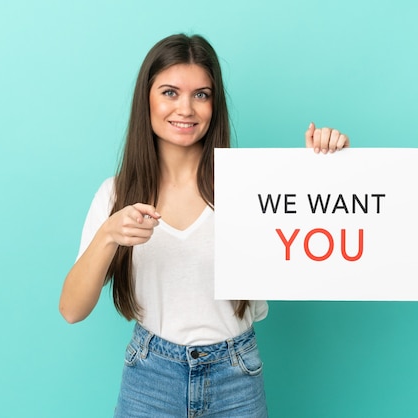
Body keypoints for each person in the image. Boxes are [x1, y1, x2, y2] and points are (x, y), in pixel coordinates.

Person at [59, 33, 349, 417]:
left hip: (236, 376)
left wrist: (326, 164)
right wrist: (109, 235)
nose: (186, 108)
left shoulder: (252, 187)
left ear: (215, 104)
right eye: (170, 92)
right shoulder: (115, 194)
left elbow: (319, 225)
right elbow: (72, 310)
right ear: (146, 98)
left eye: (201, 94)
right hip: (150, 378)